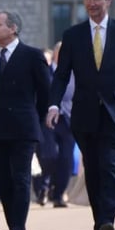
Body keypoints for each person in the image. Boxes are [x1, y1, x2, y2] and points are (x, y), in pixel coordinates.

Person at [46, 0, 115, 230]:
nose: (92, 4)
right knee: (94, 169)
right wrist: (53, 106)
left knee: (111, 165)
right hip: (84, 114)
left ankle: (107, 220)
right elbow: (61, 76)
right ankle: (100, 223)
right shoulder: (73, 35)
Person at [0, 11, 51, 230]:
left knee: (21, 178)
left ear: (13, 28)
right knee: (4, 181)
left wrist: (37, 116)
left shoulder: (32, 56)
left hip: (24, 127)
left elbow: (45, 92)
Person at [33, 41, 76, 208]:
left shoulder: (75, 72)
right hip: (48, 120)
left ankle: (58, 194)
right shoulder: (46, 70)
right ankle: (44, 187)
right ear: (56, 53)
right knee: (49, 155)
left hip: (69, 120)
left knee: (66, 158)